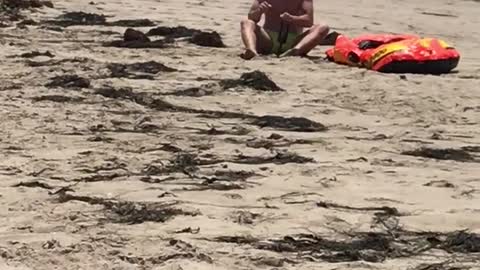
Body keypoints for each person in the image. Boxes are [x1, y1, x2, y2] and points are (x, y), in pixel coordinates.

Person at [240, 0, 330, 60]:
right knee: (246, 22)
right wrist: (259, 11)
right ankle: (252, 51)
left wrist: (292, 18)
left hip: (294, 41)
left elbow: (309, 21)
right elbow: (252, 17)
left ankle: (296, 51)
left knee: (323, 27)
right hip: (268, 39)